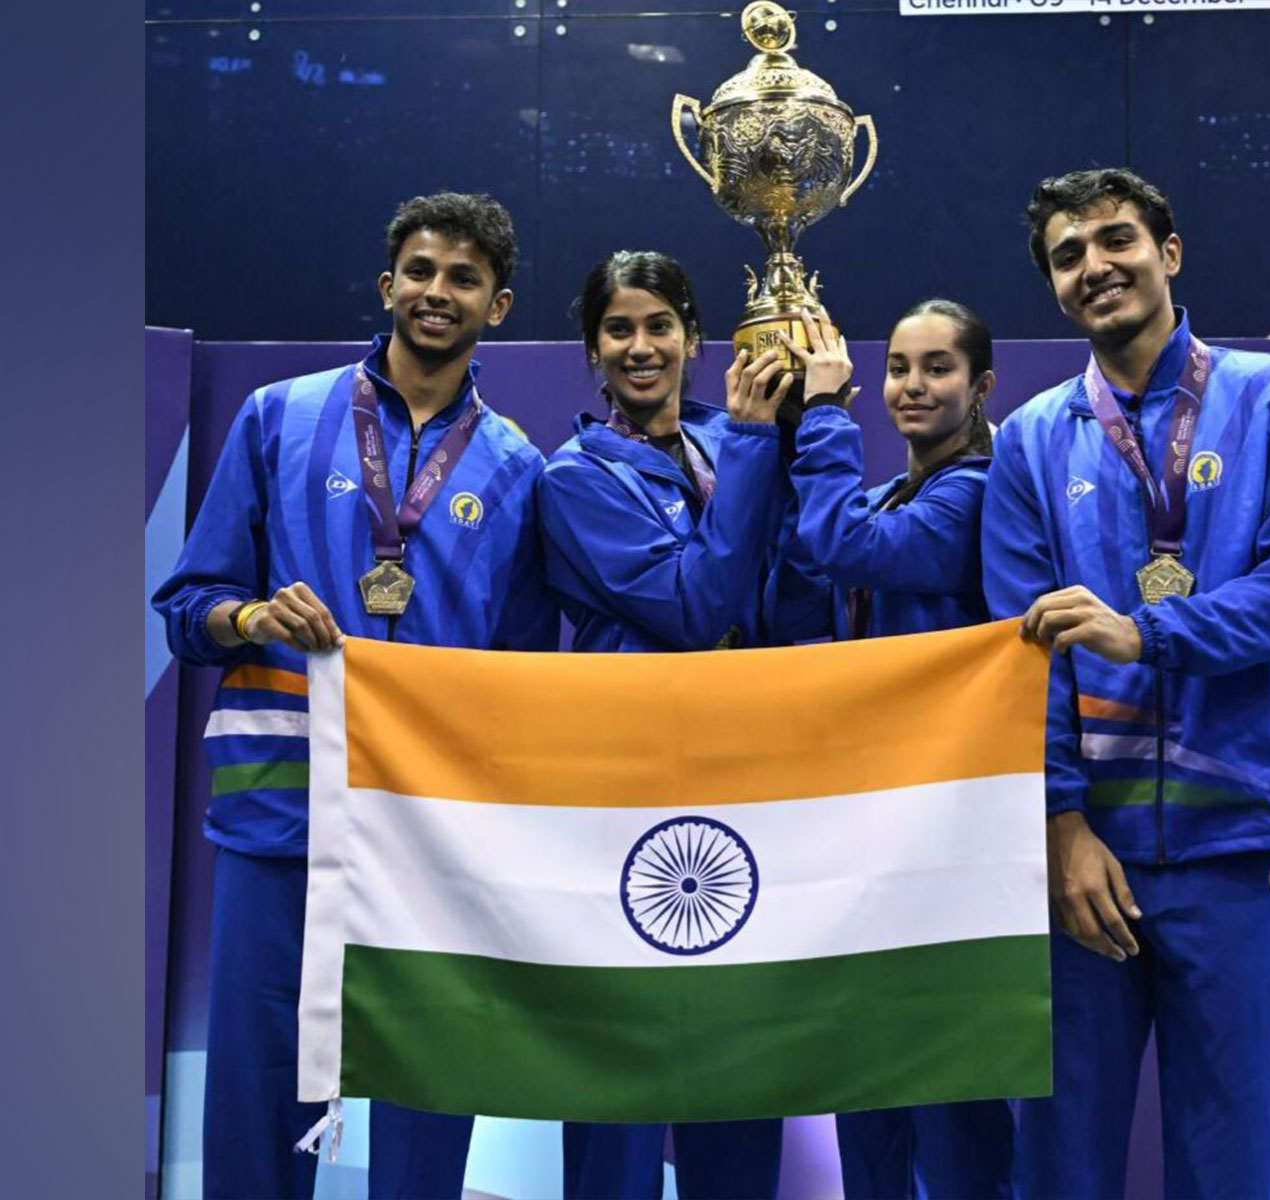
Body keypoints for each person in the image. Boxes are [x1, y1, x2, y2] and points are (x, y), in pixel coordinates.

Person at [152, 192, 560, 1200]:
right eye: (420, 271)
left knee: (428, 1105)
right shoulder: (275, 418)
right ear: (388, 286)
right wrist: (248, 620)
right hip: (279, 818)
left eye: (463, 278)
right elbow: (184, 608)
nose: (437, 292)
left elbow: (515, 680)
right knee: (254, 1107)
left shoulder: (521, 470)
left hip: (431, 835)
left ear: (497, 306)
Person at [981, 168, 1270, 1199]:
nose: (1095, 266)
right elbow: (1021, 657)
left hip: (1233, 837)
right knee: (1063, 1158)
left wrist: (1147, 634)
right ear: (1052, 286)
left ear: (1168, 252)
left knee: (1225, 1150)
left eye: (1116, 240)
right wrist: (1058, 827)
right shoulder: (1028, 440)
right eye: (1067, 255)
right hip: (1086, 856)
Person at [538, 249, 820, 1199]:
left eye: (660, 325)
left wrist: (812, 419)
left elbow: (799, 601)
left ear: (698, 340)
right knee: (623, 1062)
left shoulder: (734, 437)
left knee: (745, 1061)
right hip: (632, 784)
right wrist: (752, 447)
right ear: (590, 351)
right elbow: (699, 610)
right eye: (618, 329)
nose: (641, 346)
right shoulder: (573, 477)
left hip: (752, 778)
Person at [781, 301, 1015, 1198]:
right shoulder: (880, 495)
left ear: (981, 385)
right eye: (899, 369)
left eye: (938, 369)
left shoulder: (980, 493)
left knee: (954, 1101)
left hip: (953, 831)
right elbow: (806, 574)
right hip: (868, 831)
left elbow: (847, 546)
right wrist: (779, 436)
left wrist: (828, 416)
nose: (912, 387)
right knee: (867, 1086)